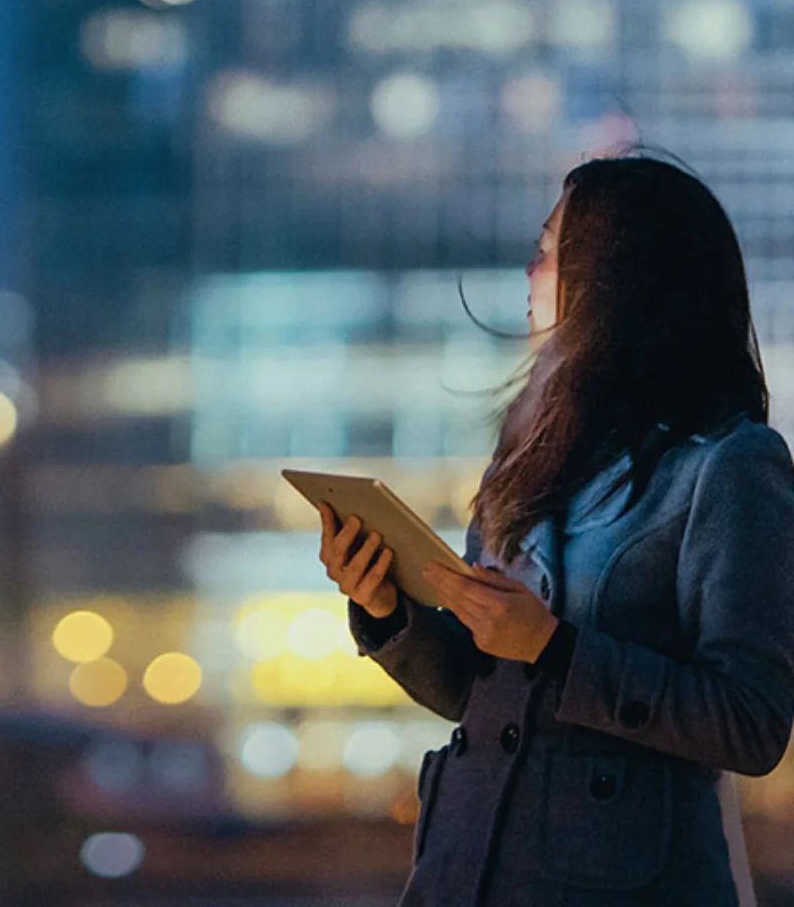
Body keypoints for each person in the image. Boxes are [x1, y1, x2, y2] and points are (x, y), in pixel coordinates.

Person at [316, 156, 794, 906]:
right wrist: (389, 611)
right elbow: (482, 696)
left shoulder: (729, 465)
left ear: (616, 276)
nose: (529, 272)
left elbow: (752, 722)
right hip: (460, 874)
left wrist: (556, 647)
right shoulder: (531, 453)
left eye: (548, 251)